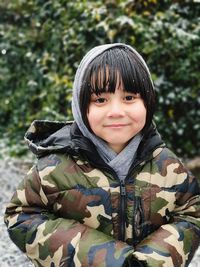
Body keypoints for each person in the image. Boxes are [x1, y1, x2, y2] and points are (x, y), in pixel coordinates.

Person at [4, 43, 200, 267]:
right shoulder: (54, 167)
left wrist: (150, 262)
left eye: (129, 98)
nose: (116, 112)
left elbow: (191, 211)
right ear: (80, 106)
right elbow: (22, 215)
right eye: (100, 100)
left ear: (148, 102)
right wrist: (109, 259)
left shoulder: (168, 165)